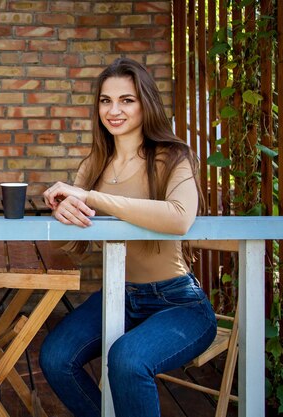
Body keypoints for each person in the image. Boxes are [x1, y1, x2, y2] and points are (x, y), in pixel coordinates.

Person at [39, 57, 217, 417]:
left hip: (178, 302)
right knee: (56, 358)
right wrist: (61, 212)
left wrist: (91, 197)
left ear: (145, 103)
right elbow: (71, 246)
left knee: (127, 359)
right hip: (118, 295)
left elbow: (180, 218)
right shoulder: (94, 164)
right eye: (106, 100)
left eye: (127, 100)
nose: (114, 110)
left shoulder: (173, 156)